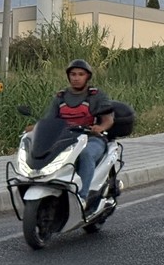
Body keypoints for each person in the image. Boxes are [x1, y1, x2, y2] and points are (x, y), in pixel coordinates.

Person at [44, 59, 114, 212]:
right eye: (73, 74)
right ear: (68, 76)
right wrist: (36, 128)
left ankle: (82, 197)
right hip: (66, 139)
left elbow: (108, 119)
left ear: (87, 77)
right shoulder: (60, 97)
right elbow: (50, 120)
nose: (76, 77)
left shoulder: (96, 95)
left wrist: (100, 127)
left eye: (80, 74)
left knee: (85, 154)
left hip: (92, 139)